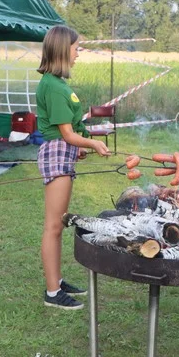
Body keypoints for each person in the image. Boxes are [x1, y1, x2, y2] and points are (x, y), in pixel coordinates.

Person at [35, 25, 111, 310]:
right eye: (76, 48)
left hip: (63, 152)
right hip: (57, 153)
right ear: (62, 49)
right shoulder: (53, 87)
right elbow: (65, 134)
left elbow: (68, 133)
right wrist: (92, 144)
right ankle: (53, 293)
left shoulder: (58, 84)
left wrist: (78, 147)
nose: (78, 54)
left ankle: (57, 280)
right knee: (54, 225)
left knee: (58, 223)